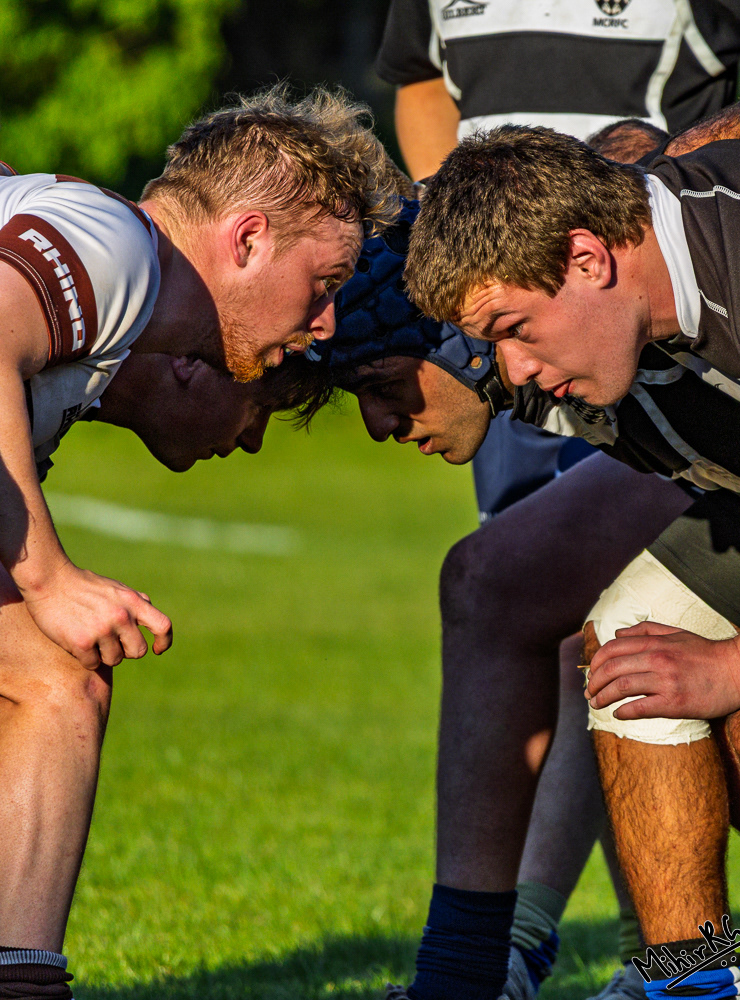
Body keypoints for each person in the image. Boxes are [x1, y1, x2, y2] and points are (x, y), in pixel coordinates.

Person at [375, 7, 740, 994]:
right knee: (633, 647)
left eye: (514, 332)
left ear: (584, 258)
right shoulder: (613, 296)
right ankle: (686, 983)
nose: (511, 371)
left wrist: (736, 665)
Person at [0, 84, 396, 1000]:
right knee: (51, 671)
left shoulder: (103, 294)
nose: (324, 323)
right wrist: (49, 576)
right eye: (324, 284)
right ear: (247, 239)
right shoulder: (121, 249)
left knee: (55, 682)